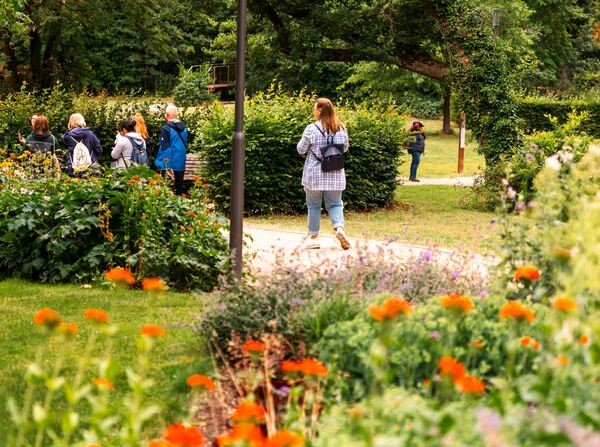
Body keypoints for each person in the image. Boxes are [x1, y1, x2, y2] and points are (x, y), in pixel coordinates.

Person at [296, 97, 350, 250]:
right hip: (335, 172)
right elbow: (344, 148)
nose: (313, 111)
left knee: (313, 206)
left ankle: (313, 238)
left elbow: (301, 150)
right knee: (335, 204)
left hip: (314, 173)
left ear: (319, 110)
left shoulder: (311, 128)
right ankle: (339, 228)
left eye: (314, 108)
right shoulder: (341, 128)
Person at [155, 104, 188, 195]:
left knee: (165, 187)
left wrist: (168, 166)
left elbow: (166, 147)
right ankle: (180, 205)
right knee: (179, 186)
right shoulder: (183, 128)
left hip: (168, 160)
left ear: (167, 114)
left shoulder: (166, 128)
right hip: (180, 159)